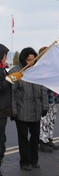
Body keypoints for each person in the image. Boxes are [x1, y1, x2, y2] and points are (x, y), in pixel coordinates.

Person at [9, 47, 49, 171]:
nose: (31, 62)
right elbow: (12, 93)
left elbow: (43, 89)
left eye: (33, 59)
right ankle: (25, 162)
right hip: (21, 111)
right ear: (23, 59)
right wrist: (13, 111)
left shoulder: (37, 71)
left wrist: (45, 106)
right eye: (28, 59)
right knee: (23, 138)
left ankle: (34, 160)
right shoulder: (16, 72)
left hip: (36, 110)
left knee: (35, 136)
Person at [38, 47, 59, 153]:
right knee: (44, 122)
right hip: (44, 100)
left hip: (53, 99)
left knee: (51, 121)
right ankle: (42, 142)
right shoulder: (39, 68)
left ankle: (49, 139)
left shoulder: (53, 67)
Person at [0, 44, 12, 176]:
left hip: (3, 111)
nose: (5, 58)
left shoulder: (3, 69)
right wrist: (8, 80)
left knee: (2, 139)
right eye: (4, 55)